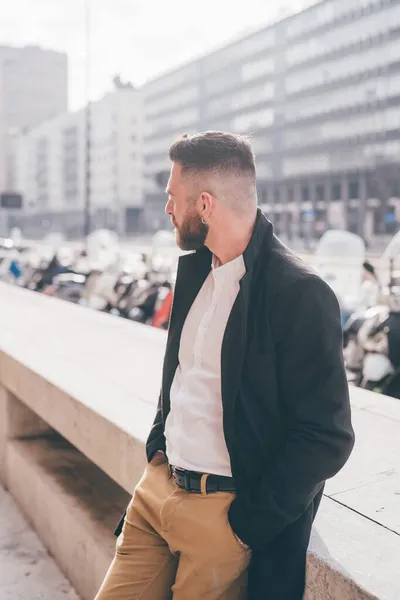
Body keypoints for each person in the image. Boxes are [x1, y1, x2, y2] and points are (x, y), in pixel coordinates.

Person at [95, 131, 355, 600]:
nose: (168, 210)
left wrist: (245, 527)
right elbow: (181, 377)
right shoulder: (198, 271)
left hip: (223, 517)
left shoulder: (298, 292)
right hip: (156, 492)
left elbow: (326, 434)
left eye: (174, 198)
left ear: (206, 204)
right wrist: (158, 448)